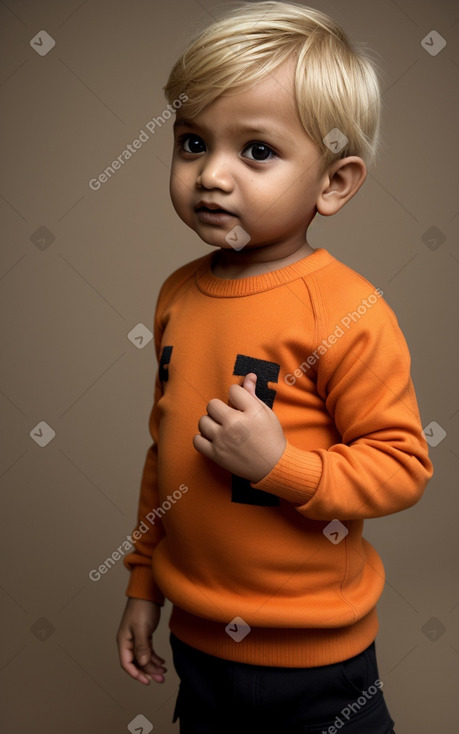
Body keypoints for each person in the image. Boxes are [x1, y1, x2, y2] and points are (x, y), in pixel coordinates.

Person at [116, 2, 433, 731]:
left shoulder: (348, 311)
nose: (212, 176)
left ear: (333, 183)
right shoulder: (177, 293)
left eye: (256, 151)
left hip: (317, 654)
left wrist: (276, 464)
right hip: (199, 642)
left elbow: (402, 465)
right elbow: (163, 451)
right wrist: (142, 585)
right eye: (193, 142)